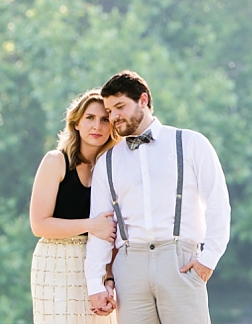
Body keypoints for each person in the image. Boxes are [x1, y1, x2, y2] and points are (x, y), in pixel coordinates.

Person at [85, 71, 231, 324]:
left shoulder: (190, 143)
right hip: (130, 268)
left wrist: (209, 259)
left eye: (120, 106)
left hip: (179, 262)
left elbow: (217, 203)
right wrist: (95, 283)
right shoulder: (107, 162)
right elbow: (101, 226)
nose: (114, 116)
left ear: (143, 101)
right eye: (109, 110)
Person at [30, 89, 121, 323]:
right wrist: (91, 225)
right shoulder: (56, 161)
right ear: (76, 123)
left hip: (96, 263)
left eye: (104, 120)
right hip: (56, 262)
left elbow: (113, 230)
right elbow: (39, 225)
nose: (97, 126)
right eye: (90, 118)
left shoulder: (113, 169)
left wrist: (109, 277)